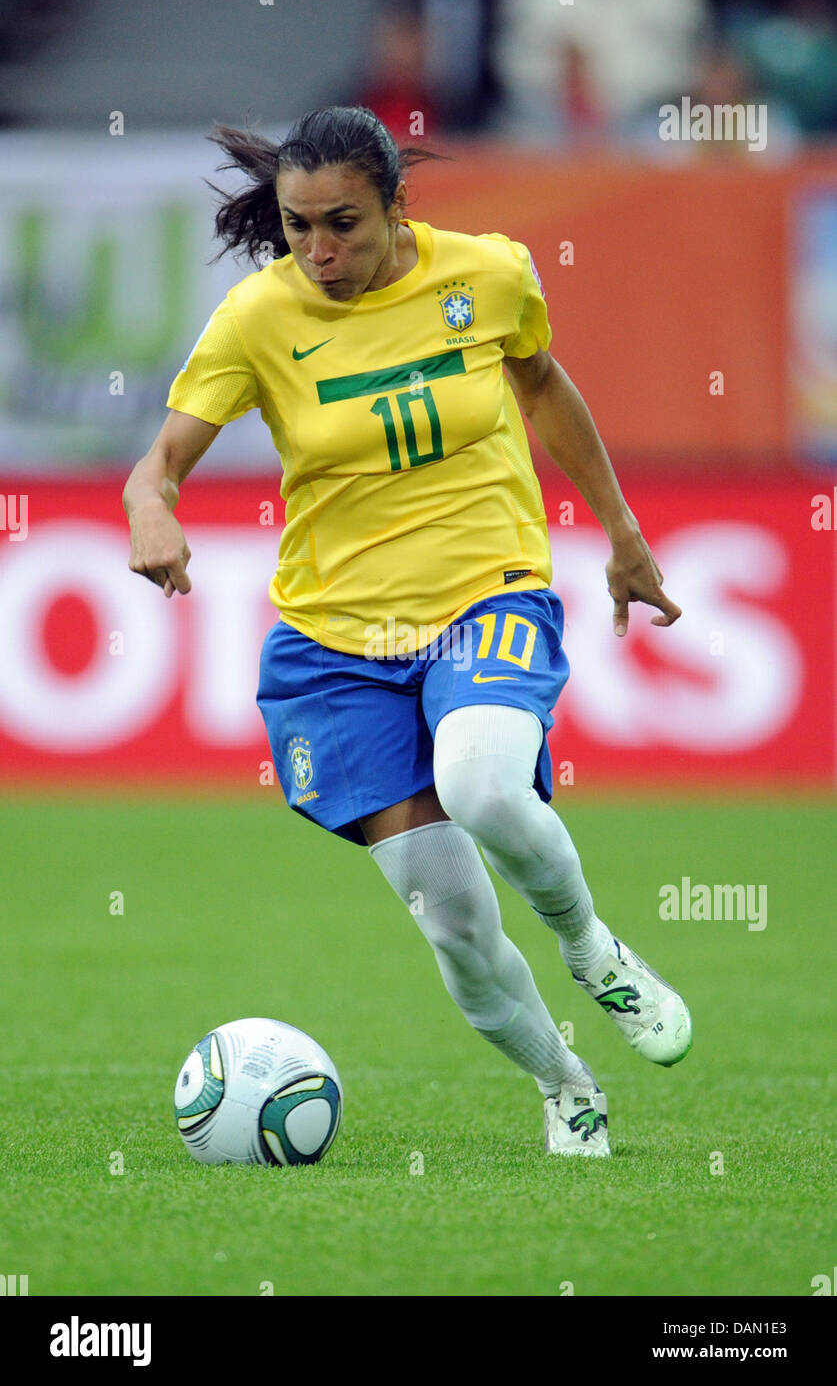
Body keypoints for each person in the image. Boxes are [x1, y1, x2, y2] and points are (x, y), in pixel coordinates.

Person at [123, 105, 691, 1158]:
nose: (319, 250)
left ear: (394, 205)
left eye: (342, 222)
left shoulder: (491, 275)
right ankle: (566, 1087)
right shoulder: (258, 320)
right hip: (333, 650)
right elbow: (155, 462)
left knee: (484, 783)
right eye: (297, 227)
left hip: (487, 594)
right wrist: (150, 507)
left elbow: (542, 386)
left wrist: (621, 530)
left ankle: (592, 947)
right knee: (458, 927)